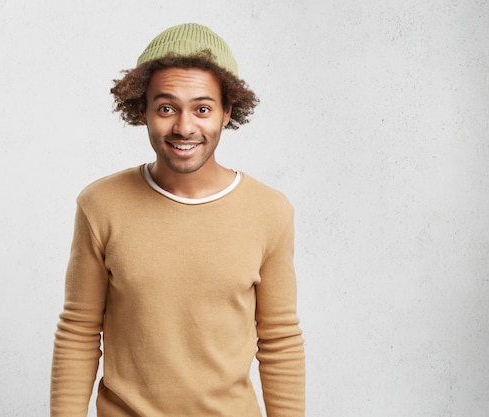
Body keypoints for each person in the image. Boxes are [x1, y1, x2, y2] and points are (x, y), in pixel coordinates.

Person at [50, 23, 305, 417]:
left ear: (227, 112)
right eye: (167, 108)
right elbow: (79, 332)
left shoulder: (270, 211)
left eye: (202, 109)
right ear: (142, 111)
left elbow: (280, 341)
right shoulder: (100, 205)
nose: (184, 127)